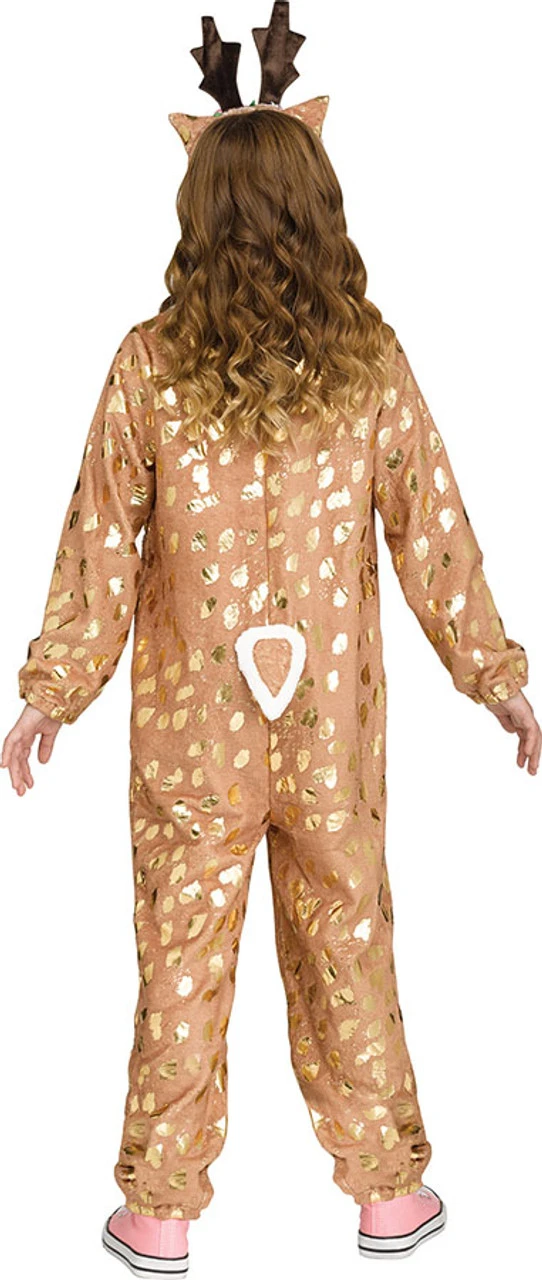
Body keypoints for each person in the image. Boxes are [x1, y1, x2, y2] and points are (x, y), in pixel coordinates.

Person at [2, 4, 540, 1273]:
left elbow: (97, 547)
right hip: (328, 736)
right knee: (347, 937)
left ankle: (160, 1211)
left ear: (196, 214)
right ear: (317, 207)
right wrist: (497, 679)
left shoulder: (150, 366)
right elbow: (435, 535)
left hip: (191, 743)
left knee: (182, 955)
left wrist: (50, 692)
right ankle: (389, 1194)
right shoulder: (367, 365)